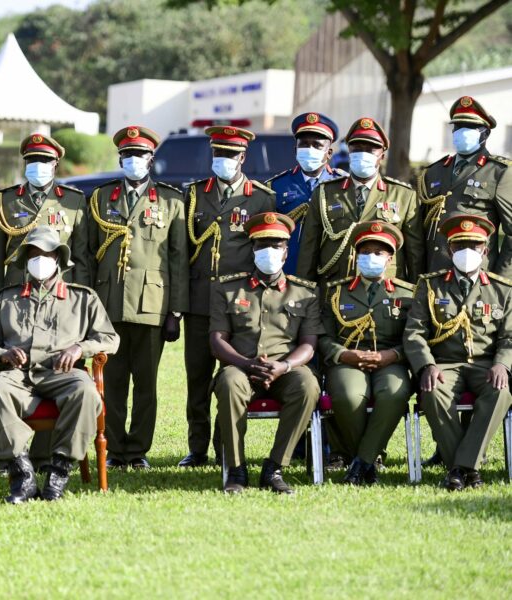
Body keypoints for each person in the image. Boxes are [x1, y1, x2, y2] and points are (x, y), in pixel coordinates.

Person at [0, 226, 119, 503]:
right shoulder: (6, 299)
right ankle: (22, 474)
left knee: (87, 391)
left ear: (58, 260)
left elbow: (109, 338)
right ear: (26, 260)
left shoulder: (82, 298)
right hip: (18, 376)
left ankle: (59, 471)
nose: (40, 260)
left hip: (63, 373)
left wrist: (80, 348)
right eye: (34, 254)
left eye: (47, 254)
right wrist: (4, 353)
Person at [87, 125, 188, 470]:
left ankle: (138, 450)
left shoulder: (172, 201)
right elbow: (88, 255)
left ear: (151, 159)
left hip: (152, 306)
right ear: (120, 158)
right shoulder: (101, 198)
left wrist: (176, 311)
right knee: (112, 382)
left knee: (146, 384)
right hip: (108, 304)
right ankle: (115, 450)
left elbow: (178, 258)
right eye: (128, 155)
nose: (133, 160)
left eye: (140, 155)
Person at [179, 125, 275, 468]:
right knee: (198, 377)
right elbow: (181, 252)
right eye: (218, 153)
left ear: (243, 157)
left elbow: (266, 248)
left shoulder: (262, 197)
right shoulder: (193, 195)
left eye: (231, 154)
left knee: (232, 377)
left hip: (239, 305)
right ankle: (197, 447)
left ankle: (226, 447)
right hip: (200, 300)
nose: (224, 160)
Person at [210, 212, 324, 494]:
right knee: (228, 382)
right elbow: (216, 340)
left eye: (276, 245)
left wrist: (283, 367)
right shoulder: (226, 288)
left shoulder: (305, 293)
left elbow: (309, 344)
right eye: (262, 245)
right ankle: (236, 470)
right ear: (252, 250)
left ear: (286, 252)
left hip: (286, 370)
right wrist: (246, 364)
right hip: (241, 367)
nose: (268, 251)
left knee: (308, 385)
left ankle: (274, 467)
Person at [404, 214, 512, 490]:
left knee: (500, 392)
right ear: (450, 249)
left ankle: (459, 469)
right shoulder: (430, 285)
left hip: (485, 364)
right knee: (431, 391)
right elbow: (414, 332)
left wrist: (503, 364)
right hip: (444, 364)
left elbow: (509, 336)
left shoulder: (502, 290)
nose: (467, 251)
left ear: (485, 250)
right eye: (460, 245)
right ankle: (469, 469)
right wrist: (426, 365)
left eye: (474, 245)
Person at [319, 222, 415, 484]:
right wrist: (344, 355)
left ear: (390, 258)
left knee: (394, 393)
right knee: (349, 395)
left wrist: (391, 356)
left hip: (390, 359)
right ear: (356, 255)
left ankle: (361, 462)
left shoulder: (407, 293)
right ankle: (369, 460)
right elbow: (324, 337)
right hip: (348, 360)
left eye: (379, 252)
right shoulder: (335, 292)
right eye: (366, 251)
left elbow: (416, 338)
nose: (371, 257)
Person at [296, 117, 424, 284]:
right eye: (357, 148)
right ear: (349, 151)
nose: (363, 153)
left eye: (370, 150)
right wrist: (304, 292)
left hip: (386, 291)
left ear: (382, 156)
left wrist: (416, 295)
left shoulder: (404, 195)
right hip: (335, 286)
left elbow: (415, 253)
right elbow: (308, 247)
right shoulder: (325, 192)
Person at [0, 133, 91, 300]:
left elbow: (81, 258)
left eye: (44, 160)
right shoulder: (7, 200)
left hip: (60, 292)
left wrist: (81, 301)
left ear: (55, 165)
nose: (38, 165)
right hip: (16, 292)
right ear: (25, 164)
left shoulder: (73, 201)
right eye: (32, 160)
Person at [418, 96, 512, 277]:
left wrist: (501, 282)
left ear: (485, 133)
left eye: (469, 128)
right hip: (435, 274)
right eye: (458, 127)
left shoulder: (498, 172)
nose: (461, 132)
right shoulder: (434, 171)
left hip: (476, 275)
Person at [267, 112, 346, 275]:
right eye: (304, 144)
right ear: (296, 149)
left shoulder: (344, 185)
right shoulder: (277, 185)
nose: (309, 150)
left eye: (317, 145)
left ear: (329, 153)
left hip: (329, 273)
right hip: (290, 271)